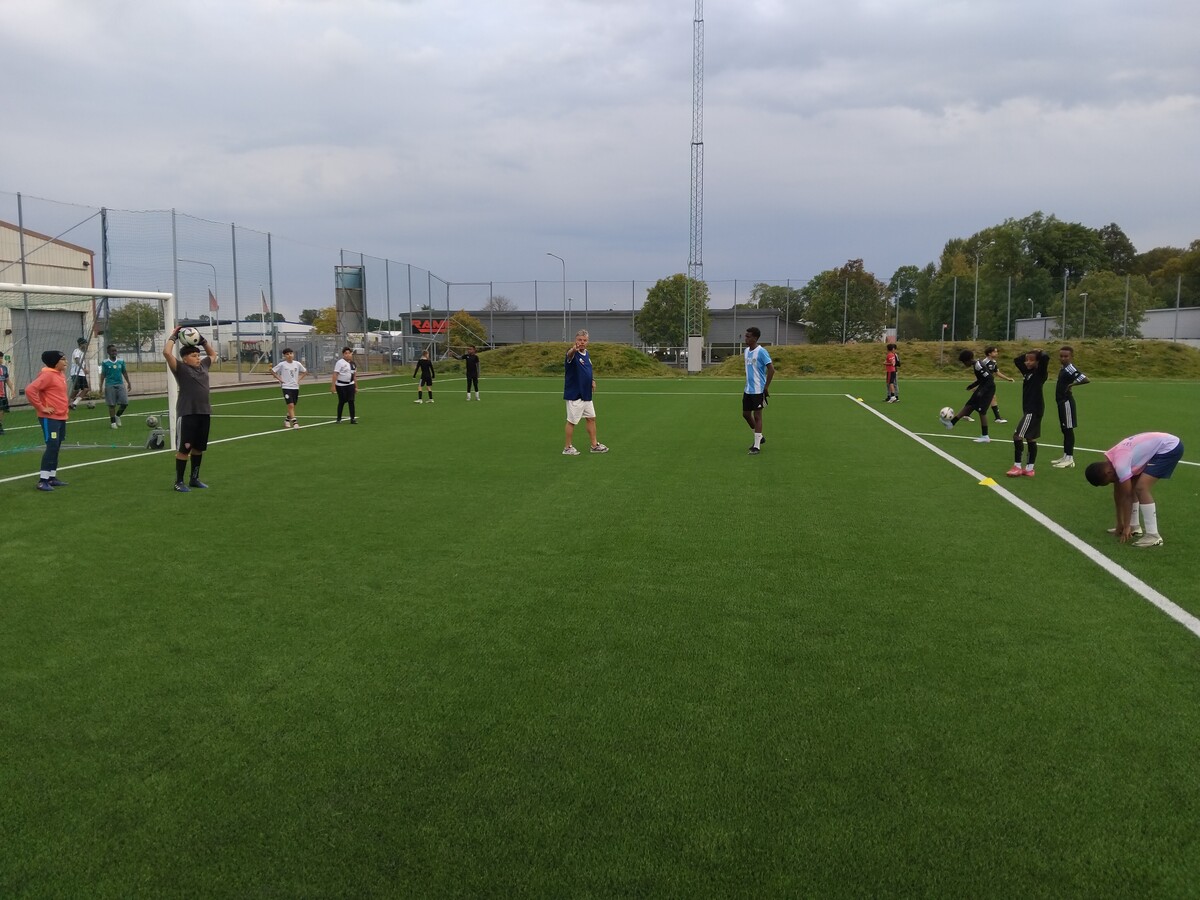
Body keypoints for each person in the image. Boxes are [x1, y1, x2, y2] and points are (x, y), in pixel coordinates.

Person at [1085, 432, 1184, 548]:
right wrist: (1120, 523)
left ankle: (1153, 536)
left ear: (1108, 473)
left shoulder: (1120, 465)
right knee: (1131, 486)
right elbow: (1118, 494)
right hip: (1161, 445)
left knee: (1141, 488)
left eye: (1110, 481)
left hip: (1169, 447)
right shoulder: (1112, 460)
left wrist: (1126, 526)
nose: (1113, 482)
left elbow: (1126, 497)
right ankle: (1134, 527)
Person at [163, 326, 218, 492]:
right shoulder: (181, 369)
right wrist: (173, 336)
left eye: (198, 355)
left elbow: (213, 355)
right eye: (194, 356)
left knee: (198, 448)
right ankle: (179, 482)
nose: (198, 358)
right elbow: (167, 353)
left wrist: (203, 341)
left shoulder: (204, 366)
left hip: (204, 413)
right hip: (187, 413)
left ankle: (194, 478)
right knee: (184, 449)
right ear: (185, 359)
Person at [24, 350, 71, 491]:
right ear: (55, 362)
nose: (66, 361)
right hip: (50, 418)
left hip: (61, 416)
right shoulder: (47, 375)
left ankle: (51, 478)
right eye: (63, 359)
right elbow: (30, 390)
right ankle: (42, 480)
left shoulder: (60, 374)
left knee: (56, 446)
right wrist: (41, 407)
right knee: (52, 446)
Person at [562, 329, 608, 456]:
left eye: (584, 340)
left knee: (591, 418)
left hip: (586, 394)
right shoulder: (572, 353)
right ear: (575, 340)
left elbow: (587, 370)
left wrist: (592, 380)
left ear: (588, 342)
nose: (582, 342)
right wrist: (573, 350)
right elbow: (569, 355)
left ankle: (594, 445)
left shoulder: (586, 354)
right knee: (572, 421)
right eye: (579, 340)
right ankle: (567, 447)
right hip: (575, 394)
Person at [1005, 348, 1050, 478]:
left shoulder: (1040, 373)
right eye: (1027, 360)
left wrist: (1039, 352)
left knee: (1017, 435)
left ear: (1038, 362)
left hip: (1033, 410)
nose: (1027, 362)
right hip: (1030, 409)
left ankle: (1017, 466)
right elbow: (1017, 360)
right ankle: (1030, 469)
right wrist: (1029, 354)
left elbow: (1045, 358)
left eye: (1031, 360)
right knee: (1030, 437)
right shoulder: (1027, 372)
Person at [939, 346, 997, 443]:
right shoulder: (975, 365)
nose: (964, 364)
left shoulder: (979, 365)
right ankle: (951, 424)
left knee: (981, 411)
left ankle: (985, 436)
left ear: (968, 360)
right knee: (969, 405)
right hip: (983, 387)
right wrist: (972, 385)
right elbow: (981, 379)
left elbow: (990, 379)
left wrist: (982, 391)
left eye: (964, 362)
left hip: (988, 389)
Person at [1051, 345, 1090, 468]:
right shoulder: (1063, 368)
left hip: (1066, 401)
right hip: (1061, 401)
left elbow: (1085, 379)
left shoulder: (1070, 368)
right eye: (1061, 356)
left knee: (1068, 429)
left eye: (1066, 356)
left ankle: (1070, 458)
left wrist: (1071, 385)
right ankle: (1065, 455)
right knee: (1064, 429)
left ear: (1071, 357)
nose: (1063, 358)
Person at [743, 326, 774, 454]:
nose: (745, 338)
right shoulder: (746, 351)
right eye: (745, 336)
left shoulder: (761, 351)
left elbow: (771, 369)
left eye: (748, 336)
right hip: (748, 389)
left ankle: (756, 446)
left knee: (757, 416)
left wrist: (766, 387)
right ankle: (759, 437)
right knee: (746, 414)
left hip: (758, 390)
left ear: (755, 338)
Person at [271, 347, 307, 428]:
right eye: (287, 354)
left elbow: (305, 371)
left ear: (293, 354)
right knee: (290, 405)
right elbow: (273, 371)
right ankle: (295, 422)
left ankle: (287, 420)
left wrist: (299, 379)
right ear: (284, 356)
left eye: (291, 353)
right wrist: (280, 379)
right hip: (286, 387)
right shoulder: (282, 364)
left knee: (293, 405)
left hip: (295, 387)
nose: (289, 355)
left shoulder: (297, 364)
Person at [99, 344, 132, 429]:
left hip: (120, 384)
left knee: (125, 403)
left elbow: (124, 372)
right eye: (112, 351)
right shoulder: (105, 362)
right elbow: (103, 375)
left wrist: (128, 382)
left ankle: (117, 416)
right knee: (111, 405)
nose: (114, 352)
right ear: (108, 352)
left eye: (115, 351)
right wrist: (100, 386)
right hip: (110, 385)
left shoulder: (121, 361)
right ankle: (113, 422)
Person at [330, 346, 358, 423]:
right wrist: (333, 386)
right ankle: (339, 418)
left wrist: (356, 387)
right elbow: (335, 374)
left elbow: (354, 376)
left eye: (349, 353)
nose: (348, 355)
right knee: (342, 401)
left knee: (351, 401)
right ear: (343, 354)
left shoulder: (353, 364)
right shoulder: (340, 363)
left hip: (350, 385)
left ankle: (352, 418)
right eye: (346, 353)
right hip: (341, 385)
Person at [69, 337, 91, 408]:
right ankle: (69, 402)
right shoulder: (77, 351)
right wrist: (83, 369)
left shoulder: (82, 353)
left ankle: (74, 403)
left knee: (86, 389)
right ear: (81, 344)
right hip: (76, 373)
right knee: (76, 389)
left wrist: (84, 370)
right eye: (85, 344)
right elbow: (77, 360)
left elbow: (82, 363)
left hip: (82, 374)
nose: (86, 345)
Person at [0, 355, 11, 434]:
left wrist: (12, 390)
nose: (1, 359)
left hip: (3, 394)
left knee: (2, 410)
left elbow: (7, 380)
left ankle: (0, 424)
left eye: (1, 358)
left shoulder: (4, 368)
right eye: (0, 358)